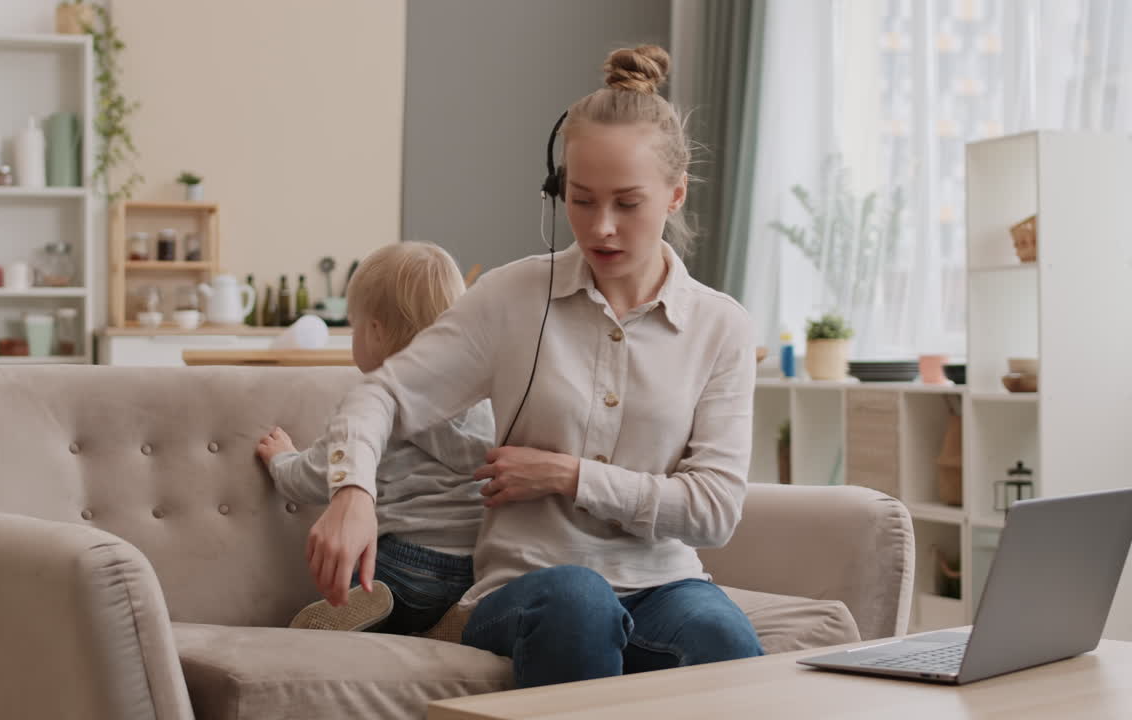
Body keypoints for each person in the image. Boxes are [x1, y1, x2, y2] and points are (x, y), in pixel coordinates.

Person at [303, 44, 763, 687]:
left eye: (628, 203)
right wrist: (352, 492)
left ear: (675, 195)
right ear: (558, 190)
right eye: (581, 199)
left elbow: (713, 511)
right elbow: (380, 395)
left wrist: (568, 476)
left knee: (721, 634)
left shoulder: (721, 327)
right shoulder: (512, 298)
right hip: (528, 590)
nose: (601, 228)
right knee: (579, 600)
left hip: (665, 583)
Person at [256, 242, 494, 636]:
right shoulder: (483, 400)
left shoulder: (374, 407)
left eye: (355, 326)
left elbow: (314, 477)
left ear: (377, 332)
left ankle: (366, 601)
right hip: (476, 563)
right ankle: (450, 619)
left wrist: (281, 459)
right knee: (427, 612)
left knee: (364, 574)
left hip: (401, 562)